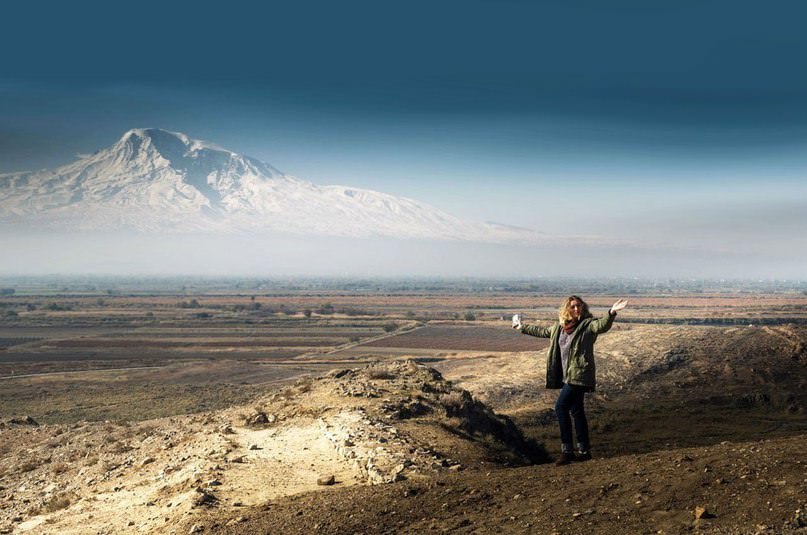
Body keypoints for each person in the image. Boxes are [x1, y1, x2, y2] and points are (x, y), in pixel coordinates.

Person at [513, 296, 628, 465]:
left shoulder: (588, 325)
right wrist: (521, 327)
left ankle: (567, 451)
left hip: (580, 375)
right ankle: (584, 451)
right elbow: (542, 332)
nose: (576, 309)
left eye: (579, 306)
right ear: (566, 309)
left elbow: (602, 326)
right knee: (576, 411)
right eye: (573, 307)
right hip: (568, 376)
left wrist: (611, 312)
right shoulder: (559, 328)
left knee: (560, 407)